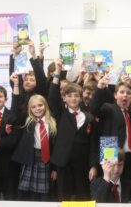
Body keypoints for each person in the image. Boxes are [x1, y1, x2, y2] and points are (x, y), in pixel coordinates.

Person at [49, 58, 98, 201]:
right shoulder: (60, 114)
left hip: (82, 165)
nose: (73, 98)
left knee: (83, 196)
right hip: (62, 163)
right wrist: (58, 72)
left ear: (81, 98)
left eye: (76, 95)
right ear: (64, 98)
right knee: (63, 197)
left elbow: (93, 144)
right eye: (69, 96)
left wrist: (93, 165)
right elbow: (52, 96)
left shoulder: (89, 117)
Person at [90, 75, 131, 187]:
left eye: (128, 93)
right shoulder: (109, 108)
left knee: (129, 190)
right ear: (115, 95)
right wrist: (100, 88)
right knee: (110, 189)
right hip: (111, 156)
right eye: (122, 92)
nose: (125, 95)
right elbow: (94, 110)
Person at [11, 72, 57, 200]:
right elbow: (15, 108)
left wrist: (55, 168)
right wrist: (16, 84)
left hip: (46, 161)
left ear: (46, 106)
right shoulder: (27, 121)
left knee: (44, 194)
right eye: (34, 107)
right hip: (30, 159)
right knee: (27, 194)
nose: (37, 109)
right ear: (30, 109)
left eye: (40, 105)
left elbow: (56, 147)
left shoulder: (52, 122)